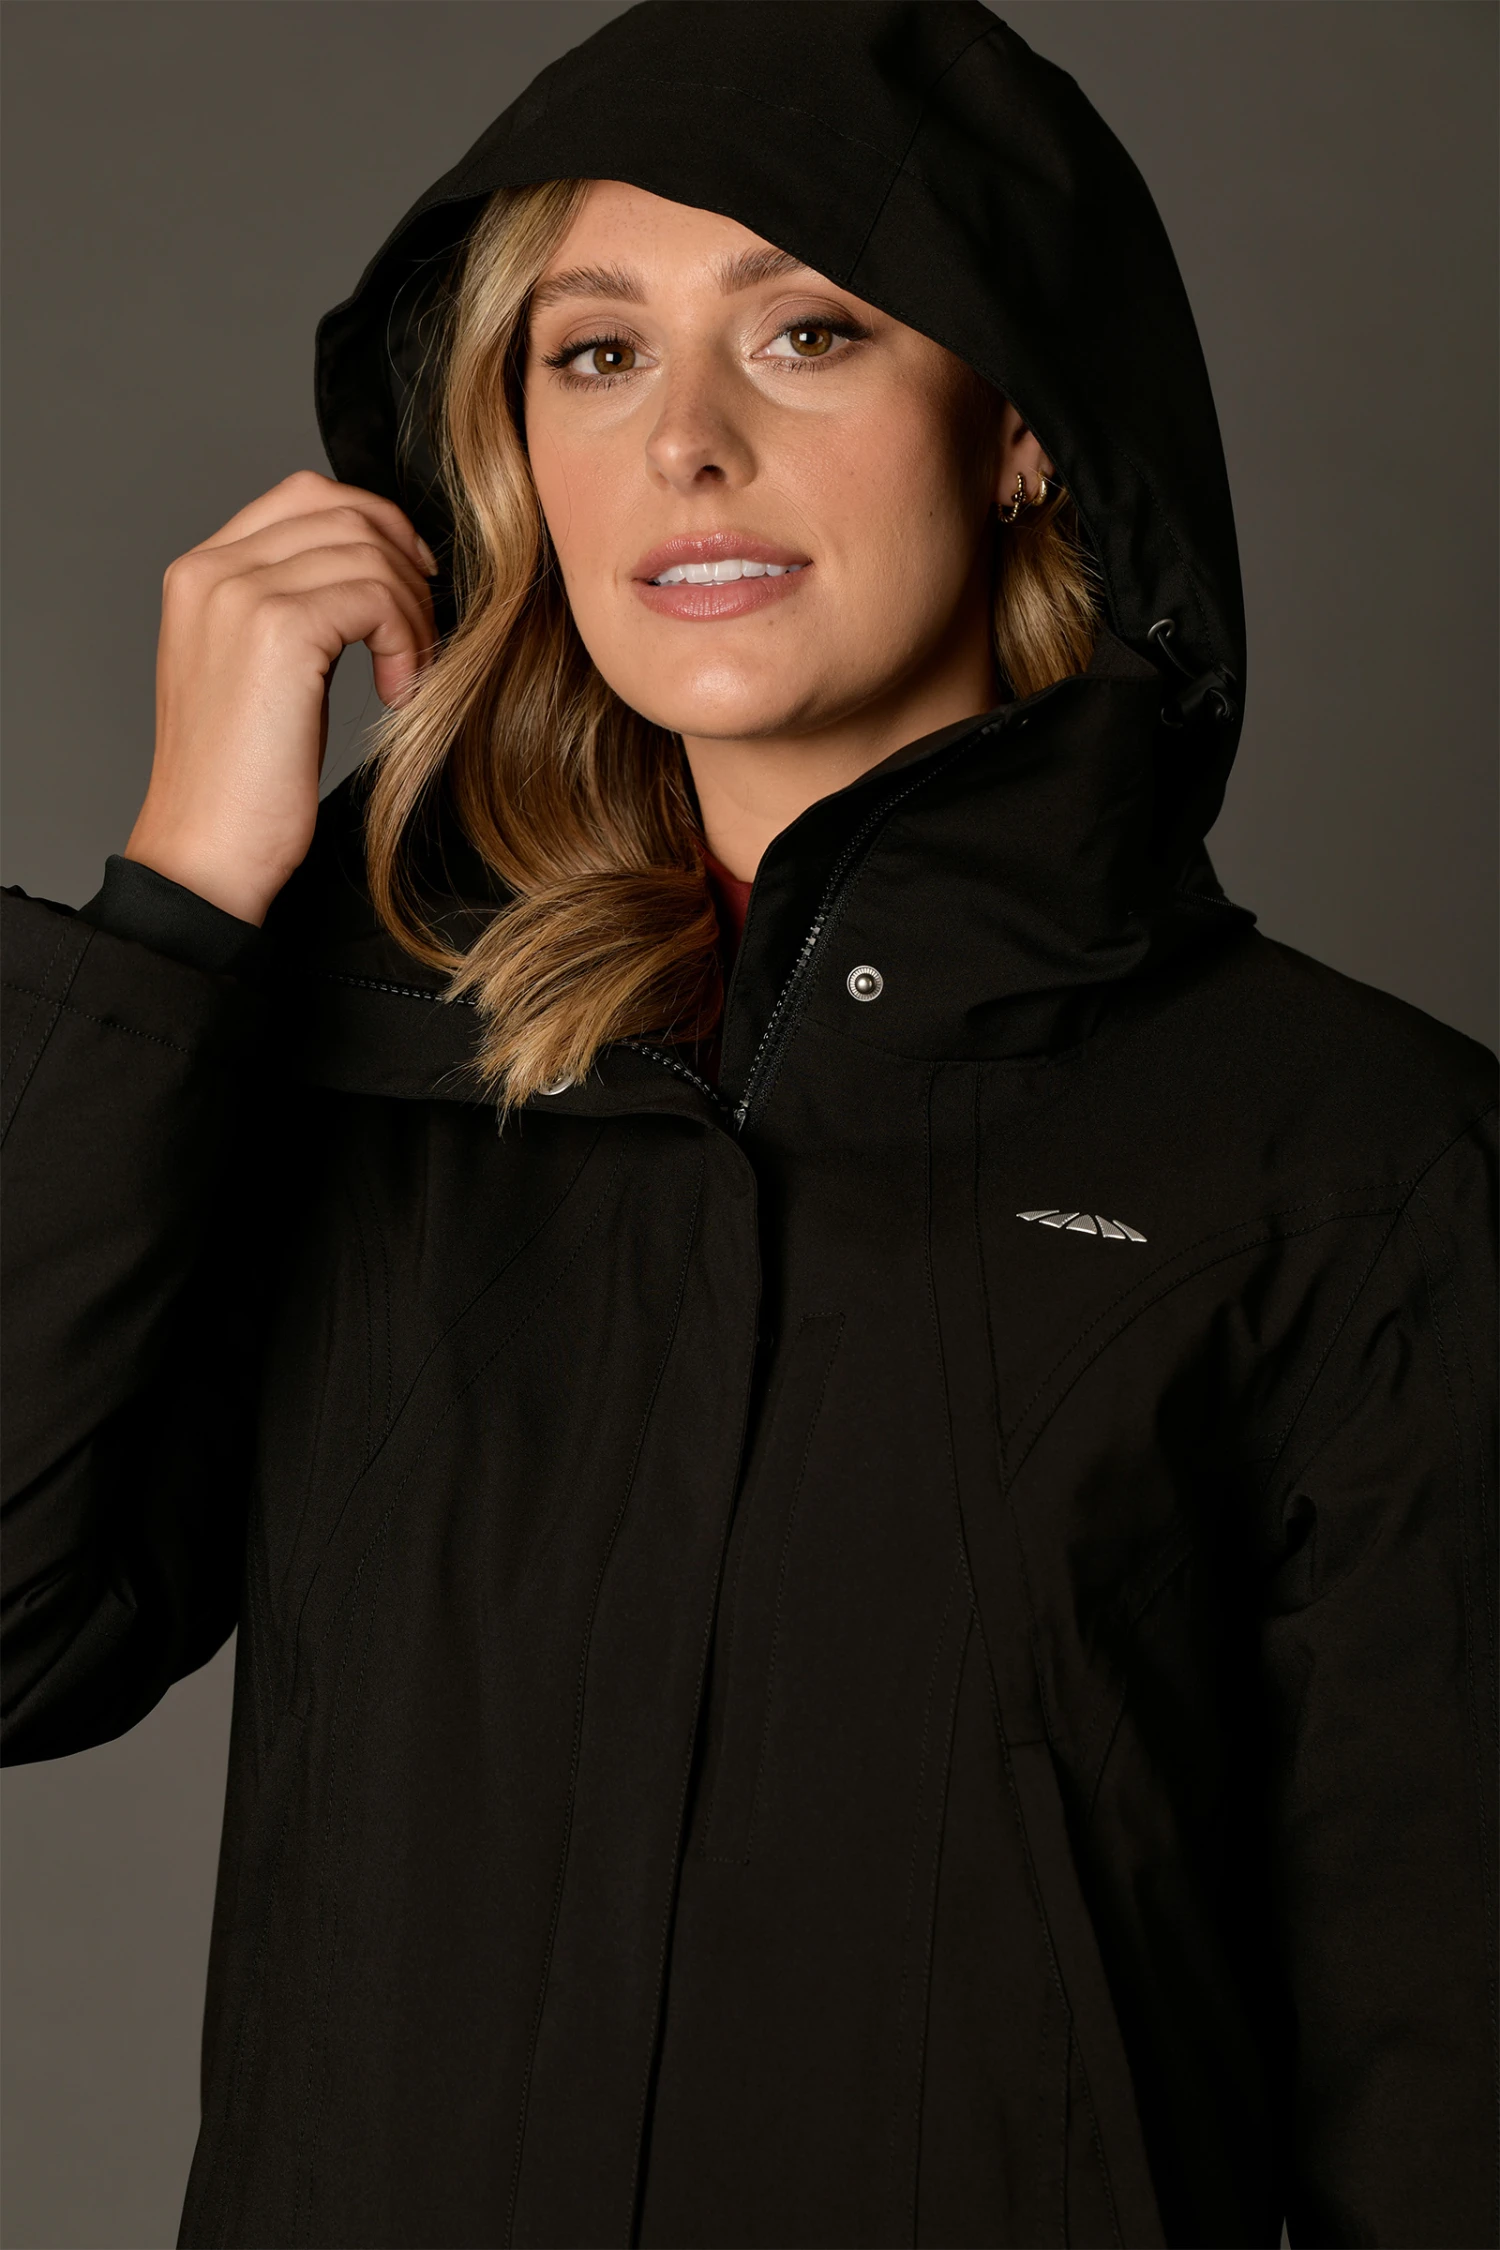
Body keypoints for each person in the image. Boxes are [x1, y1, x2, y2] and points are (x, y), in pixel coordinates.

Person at [2, 3, 1494, 2244]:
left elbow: (1448, 2087)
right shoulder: (369, 1068)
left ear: (1020, 427)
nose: (686, 443)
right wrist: (181, 906)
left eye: (808, 332)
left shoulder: (1352, 1161)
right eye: (597, 355)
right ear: (514, 450)